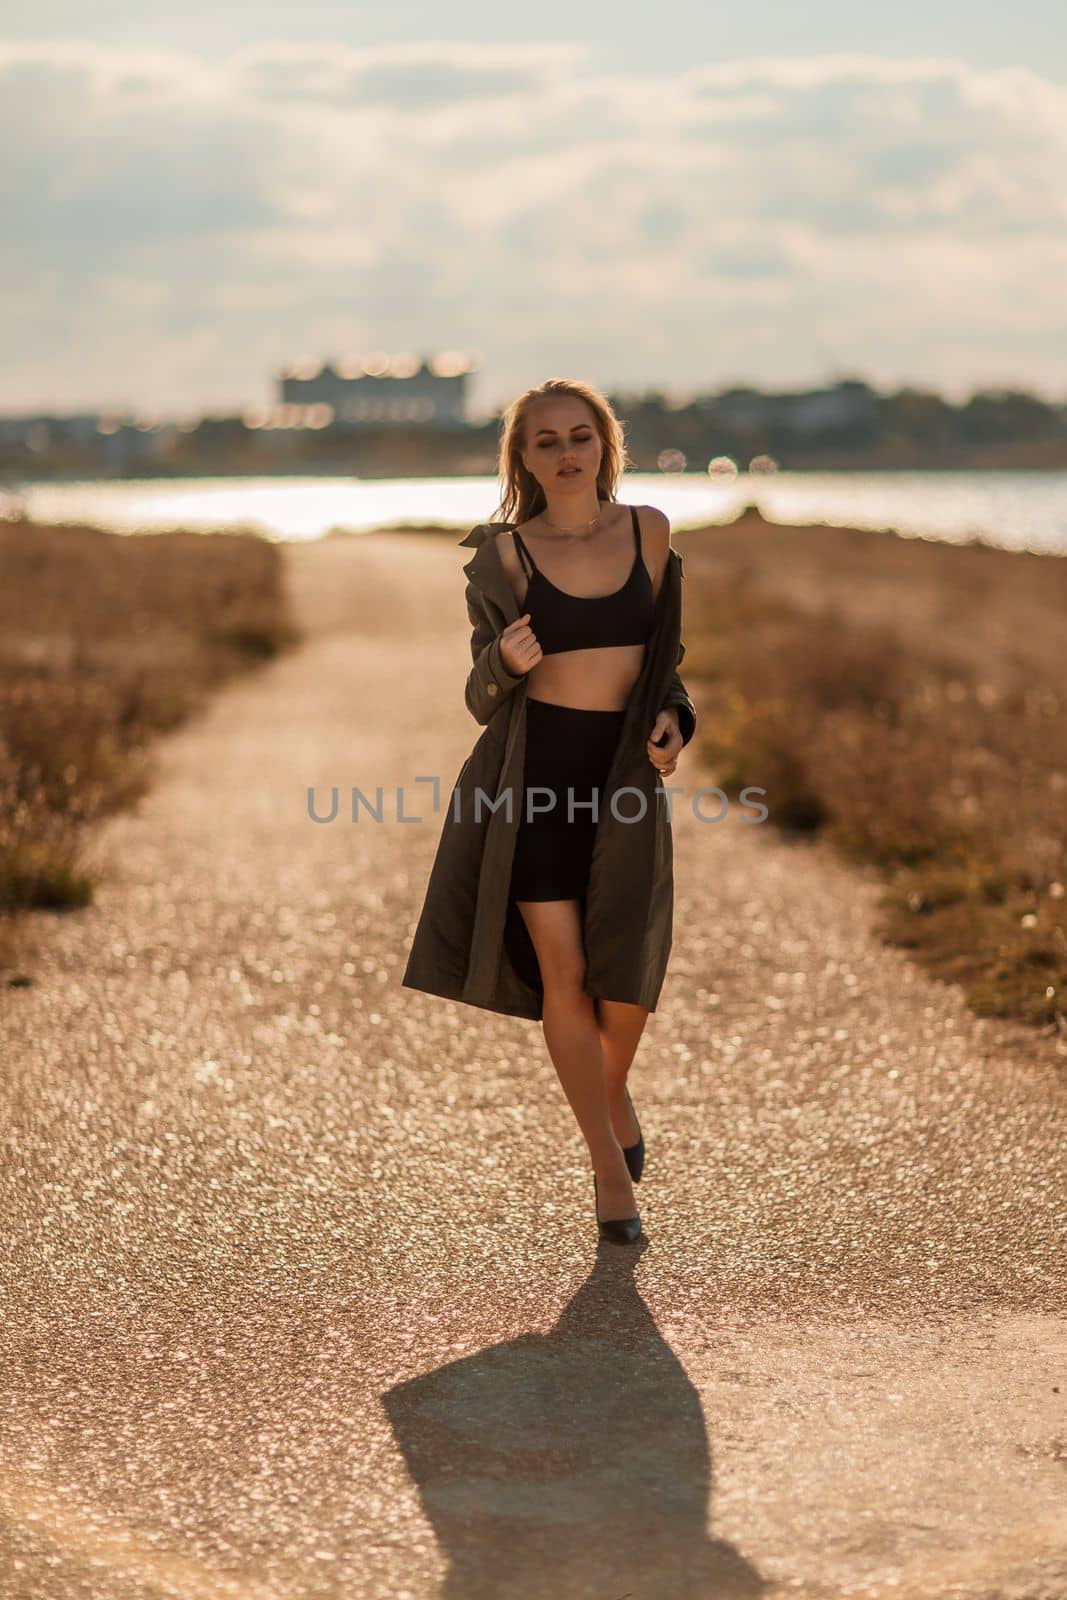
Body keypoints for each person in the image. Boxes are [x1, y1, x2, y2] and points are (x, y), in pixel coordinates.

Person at [402, 378, 697, 1245]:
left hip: (621, 785)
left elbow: (665, 664)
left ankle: (606, 1091)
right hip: (532, 787)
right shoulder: (504, 557)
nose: (566, 454)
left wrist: (676, 720)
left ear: (605, 444)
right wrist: (503, 657)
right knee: (564, 975)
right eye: (545, 442)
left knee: (630, 975)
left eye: (581, 436)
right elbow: (477, 693)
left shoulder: (649, 530)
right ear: (522, 457)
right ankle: (608, 1170)